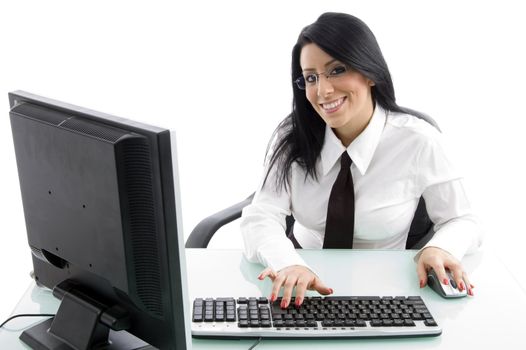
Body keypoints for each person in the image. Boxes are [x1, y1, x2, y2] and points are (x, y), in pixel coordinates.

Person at [240, 12, 483, 309]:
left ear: (370, 72)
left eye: (337, 70)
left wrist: (440, 248)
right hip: (303, 281)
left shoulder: (418, 140)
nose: (323, 91)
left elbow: (463, 219)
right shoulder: (293, 137)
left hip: (387, 287)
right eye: (311, 78)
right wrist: (287, 263)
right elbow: (261, 215)